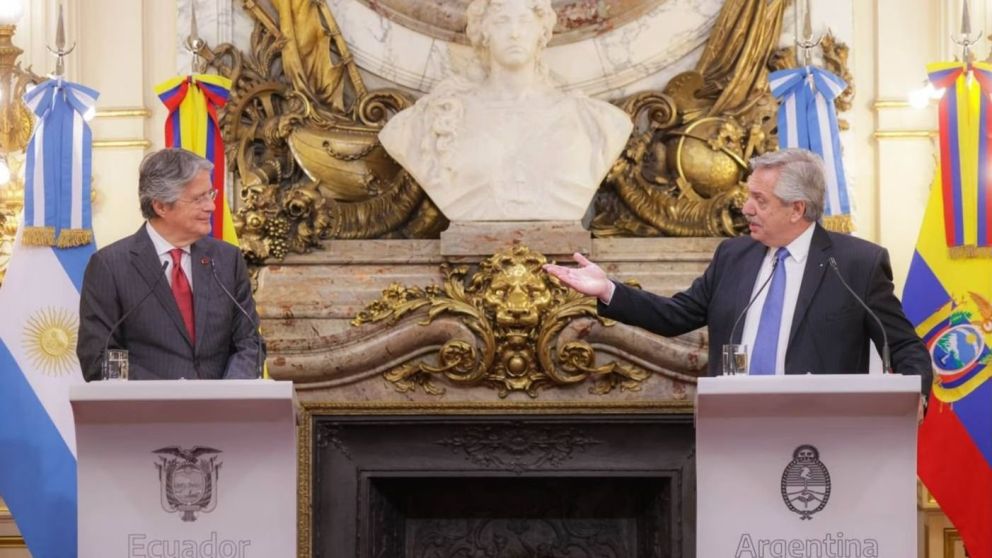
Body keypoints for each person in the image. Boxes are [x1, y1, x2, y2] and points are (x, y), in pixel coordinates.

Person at [544, 148, 933, 397]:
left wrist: (916, 394)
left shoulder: (855, 264)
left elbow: (903, 344)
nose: (745, 208)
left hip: (821, 433)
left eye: (759, 200)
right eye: (748, 196)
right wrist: (607, 289)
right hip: (736, 429)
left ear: (797, 209)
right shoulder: (734, 255)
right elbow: (676, 315)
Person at [378, 0, 632, 221]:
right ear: (484, 32)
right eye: (501, 21)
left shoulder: (596, 121)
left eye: (524, 21)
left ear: (542, 32)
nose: (514, 33)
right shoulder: (436, 118)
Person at [77, 148, 264, 381]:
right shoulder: (110, 266)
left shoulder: (227, 259)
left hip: (221, 412)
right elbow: (98, 357)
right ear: (161, 206)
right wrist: (170, 395)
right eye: (198, 198)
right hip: (148, 413)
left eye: (210, 195)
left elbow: (249, 342)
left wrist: (227, 394)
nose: (211, 207)